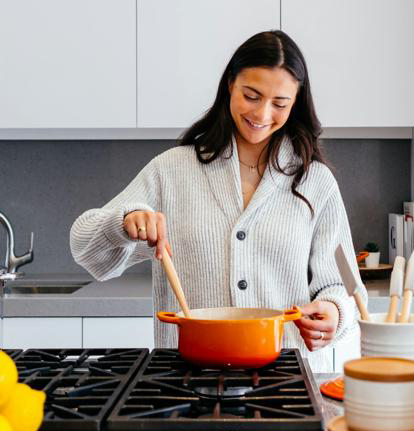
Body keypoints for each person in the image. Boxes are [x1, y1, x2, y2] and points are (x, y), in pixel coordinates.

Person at [70, 30, 367, 372]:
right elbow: (85, 248)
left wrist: (333, 311)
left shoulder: (315, 181)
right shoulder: (173, 170)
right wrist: (123, 223)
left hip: (284, 385)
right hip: (185, 382)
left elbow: (343, 287)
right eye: (251, 95)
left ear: (296, 102)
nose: (263, 113)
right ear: (230, 84)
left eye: (280, 103)